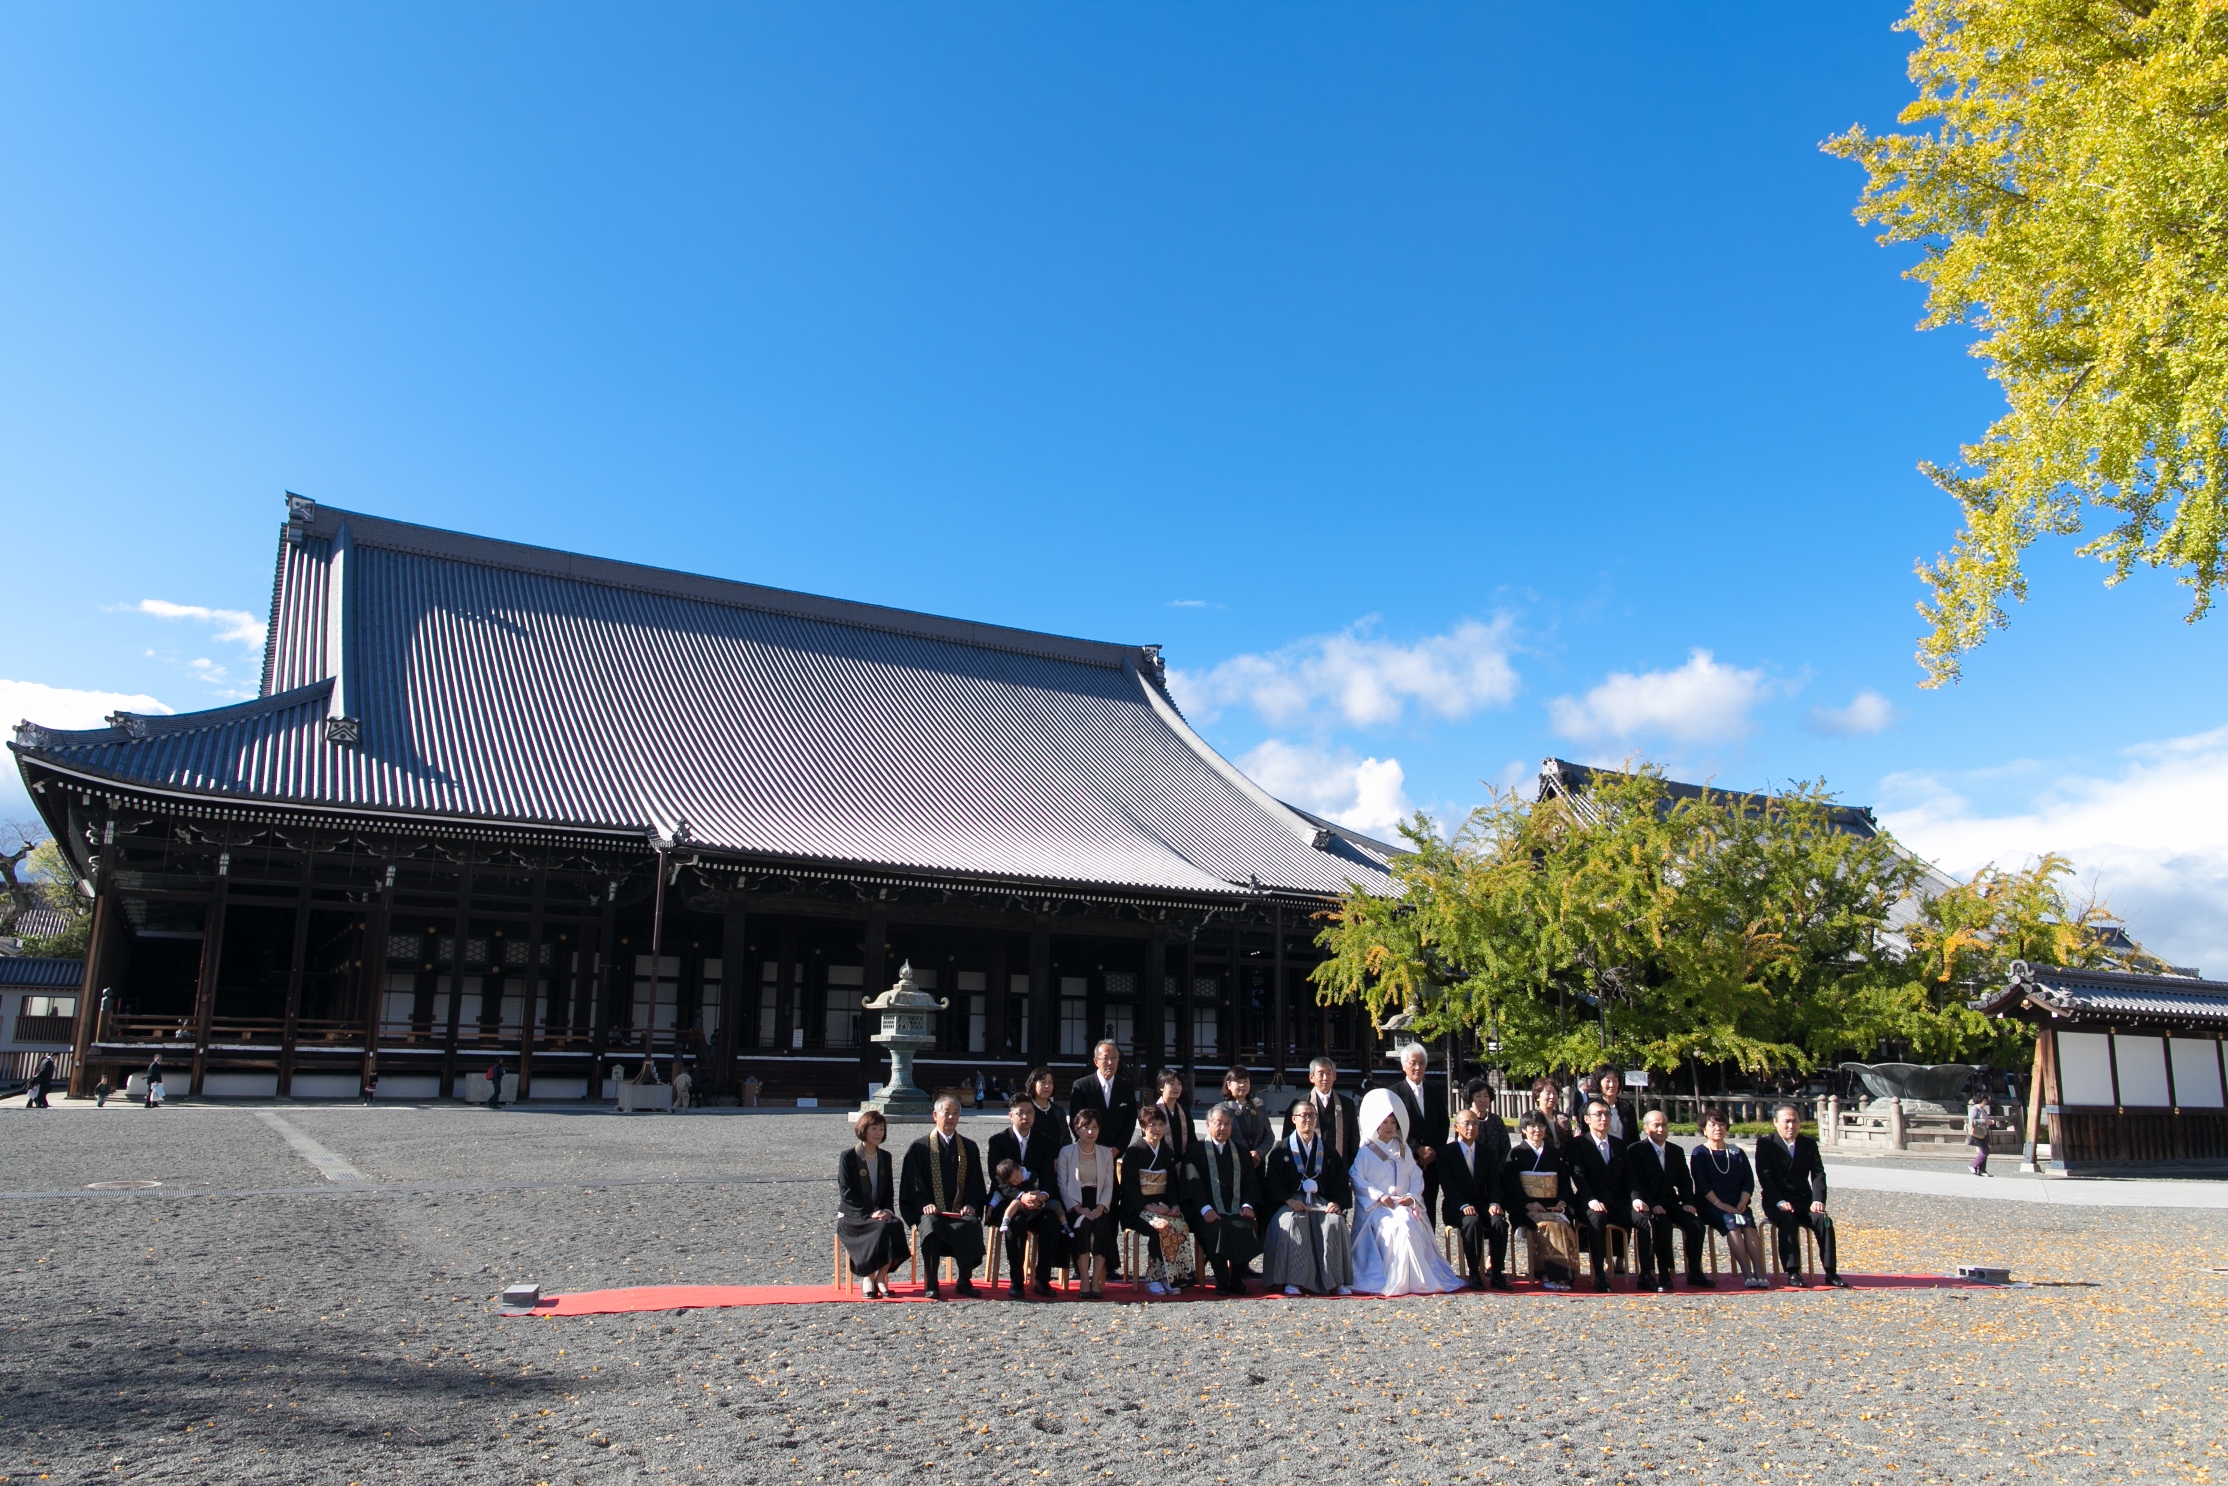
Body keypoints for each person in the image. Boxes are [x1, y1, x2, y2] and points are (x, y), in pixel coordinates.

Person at [1348, 1087, 1466, 1296]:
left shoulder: (1403, 1149)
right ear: (1376, 1123)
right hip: (1378, 1207)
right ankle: (1395, 1278)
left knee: (1408, 1222)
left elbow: (1416, 1177)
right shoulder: (1366, 1150)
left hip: (1402, 1202)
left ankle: (1418, 1279)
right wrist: (1379, 1196)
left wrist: (1411, 1197)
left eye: (1393, 1122)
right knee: (1394, 1227)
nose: (1389, 1126)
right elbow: (1357, 1179)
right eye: (1385, 1122)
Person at [1262, 1098, 1354, 1296]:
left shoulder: (1327, 1150)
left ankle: (1336, 1281)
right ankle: (1293, 1280)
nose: (1308, 1119)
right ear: (1294, 1119)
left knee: (1335, 1222)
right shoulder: (1281, 1149)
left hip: (1320, 1201)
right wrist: (1288, 1200)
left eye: (1312, 1115)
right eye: (1303, 1115)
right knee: (1293, 1222)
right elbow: (1273, 1182)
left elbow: (1339, 1180)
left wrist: (1336, 1202)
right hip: (1291, 1201)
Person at [899, 1094, 988, 1298]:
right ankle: (931, 1281)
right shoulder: (920, 1147)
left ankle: (964, 1280)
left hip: (959, 1210)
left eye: (955, 1113)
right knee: (930, 1225)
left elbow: (975, 1182)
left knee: (971, 1222)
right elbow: (913, 1183)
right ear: (935, 1115)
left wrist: (970, 1203)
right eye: (946, 1113)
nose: (951, 1117)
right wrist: (924, 1203)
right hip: (932, 1210)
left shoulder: (969, 1147)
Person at [1755, 1103, 1847, 1287]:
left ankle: (1831, 1272)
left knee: (1823, 1221)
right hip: (1777, 1200)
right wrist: (1779, 1201)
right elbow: (1764, 1177)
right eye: (1786, 1122)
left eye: (1795, 1121)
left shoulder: (1808, 1144)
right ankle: (1793, 1272)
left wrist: (1818, 1200)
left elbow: (1818, 1173)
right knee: (1788, 1220)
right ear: (1775, 1122)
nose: (1791, 1126)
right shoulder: (1766, 1144)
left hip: (1804, 1200)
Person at [984, 1094, 1065, 1298]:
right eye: (1020, 1113)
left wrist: (1043, 1196)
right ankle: (1016, 1281)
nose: (1026, 1117)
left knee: (1051, 1221)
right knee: (1016, 1221)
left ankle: (1042, 1279)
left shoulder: (1043, 1142)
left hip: (1038, 1201)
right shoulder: (998, 1141)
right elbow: (998, 1181)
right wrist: (1021, 1196)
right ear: (1011, 1115)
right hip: (1007, 1202)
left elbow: (1048, 1175)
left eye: (1030, 1112)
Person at [1184, 1102, 1262, 1293]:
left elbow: (1250, 1183)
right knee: (1216, 1229)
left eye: (1227, 1124)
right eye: (1218, 1123)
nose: (1223, 1128)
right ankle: (1222, 1280)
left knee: (1245, 1226)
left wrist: (1247, 1204)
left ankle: (1237, 1280)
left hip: (1235, 1209)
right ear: (1208, 1125)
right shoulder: (1195, 1151)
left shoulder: (1241, 1153)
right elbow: (1192, 1184)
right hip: (1207, 1211)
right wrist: (1205, 1209)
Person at [1627, 1109, 1709, 1291]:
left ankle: (1695, 1271)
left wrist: (1688, 1202)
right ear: (1646, 1128)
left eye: (1664, 1125)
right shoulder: (1636, 1150)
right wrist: (1653, 1205)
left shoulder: (1676, 1151)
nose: (1661, 1129)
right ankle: (1663, 1274)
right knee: (1661, 1225)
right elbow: (1636, 1183)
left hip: (1670, 1202)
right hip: (1649, 1203)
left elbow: (1685, 1181)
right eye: (1656, 1125)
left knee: (1695, 1224)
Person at [1119, 1104, 1195, 1294]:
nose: (1157, 1128)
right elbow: (1128, 1186)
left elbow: (1171, 1185)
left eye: (1161, 1124)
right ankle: (1154, 1277)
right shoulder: (1134, 1152)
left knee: (1180, 1225)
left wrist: (1175, 1205)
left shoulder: (1167, 1152)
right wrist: (1148, 1206)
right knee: (1160, 1228)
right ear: (1143, 1127)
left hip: (1162, 1205)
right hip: (1137, 1209)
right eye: (1152, 1124)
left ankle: (1174, 1276)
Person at [837, 1110, 911, 1299]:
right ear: (863, 1129)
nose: (878, 1132)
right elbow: (846, 1193)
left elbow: (888, 1191)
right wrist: (870, 1213)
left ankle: (881, 1277)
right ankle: (868, 1277)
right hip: (854, 1216)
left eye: (881, 1129)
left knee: (895, 1225)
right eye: (874, 1128)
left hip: (879, 1213)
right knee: (877, 1230)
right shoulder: (848, 1157)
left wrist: (886, 1211)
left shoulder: (885, 1157)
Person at [1502, 1111, 1578, 1290]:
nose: (1537, 1130)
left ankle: (1564, 1275)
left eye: (1541, 1126)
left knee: (1564, 1225)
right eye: (1532, 1126)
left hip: (1553, 1206)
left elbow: (1564, 1182)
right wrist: (1527, 1204)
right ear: (1524, 1130)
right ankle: (1549, 1274)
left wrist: (1562, 1202)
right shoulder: (1516, 1154)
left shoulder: (1554, 1153)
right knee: (1548, 1225)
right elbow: (1510, 1185)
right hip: (1526, 1208)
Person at [1690, 1107, 1765, 1288]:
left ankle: (1760, 1271)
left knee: (1747, 1223)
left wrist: (1743, 1201)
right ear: (1704, 1129)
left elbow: (1748, 1180)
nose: (1718, 1129)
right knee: (1731, 1222)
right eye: (1713, 1125)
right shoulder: (1699, 1153)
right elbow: (1701, 1182)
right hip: (1711, 1205)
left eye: (1722, 1124)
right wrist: (1719, 1204)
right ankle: (1746, 1272)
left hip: (1737, 1203)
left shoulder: (1736, 1152)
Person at [1438, 1106, 1510, 1290]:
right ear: (1456, 1127)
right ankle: (1474, 1273)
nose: (1471, 1127)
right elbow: (1448, 1185)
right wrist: (1463, 1205)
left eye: (1475, 1123)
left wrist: (1495, 1203)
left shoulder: (1486, 1153)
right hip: (1457, 1207)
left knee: (1498, 1222)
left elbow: (1494, 1181)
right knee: (1471, 1222)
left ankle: (1496, 1273)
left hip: (1482, 1204)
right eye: (1467, 1123)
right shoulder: (1446, 1153)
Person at [1568, 1098, 1635, 1292]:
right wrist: (1591, 1200)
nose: (1603, 1118)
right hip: (1588, 1201)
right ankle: (1599, 1273)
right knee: (1597, 1217)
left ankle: (1648, 1273)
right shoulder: (1578, 1144)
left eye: (1607, 1114)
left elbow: (1629, 1176)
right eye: (1598, 1115)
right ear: (1587, 1119)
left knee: (1642, 1217)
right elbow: (1578, 1175)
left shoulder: (1619, 1144)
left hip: (1615, 1201)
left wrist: (1636, 1199)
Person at [1056, 1107, 1120, 1298]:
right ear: (1077, 1129)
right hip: (1075, 1200)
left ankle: (1096, 1280)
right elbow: (1062, 1183)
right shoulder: (1066, 1152)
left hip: (1099, 1200)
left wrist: (1101, 1207)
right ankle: (1084, 1278)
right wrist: (1077, 1208)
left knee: (1102, 1225)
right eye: (1085, 1127)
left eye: (1094, 1127)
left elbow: (1109, 1184)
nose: (1090, 1132)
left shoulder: (1105, 1153)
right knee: (1082, 1226)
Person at [1385, 1043, 1447, 1227]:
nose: (1417, 1067)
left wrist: (1431, 1151)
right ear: (1404, 1066)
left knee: (1428, 1205)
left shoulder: (1435, 1093)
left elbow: (1443, 1124)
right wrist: (1417, 1148)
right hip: (1405, 1158)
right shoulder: (1394, 1093)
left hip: (1430, 1162)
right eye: (1413, 1063)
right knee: (1406, 1207)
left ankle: (1430, 1250)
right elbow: (1392, 1127)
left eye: (1421, 1063)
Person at [1282, 1056, 1362, 1169]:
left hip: (1339, 1166)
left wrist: (1352, 1167)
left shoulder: (1347, 1104)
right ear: (1311, 1077)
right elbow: (1288, 1138)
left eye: (1329, 1073)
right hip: (1307, 1166)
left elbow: (1354, 1140)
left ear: (1334, 1076)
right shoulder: (1299, 1104)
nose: (1325, 1078)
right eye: (1320, 1073)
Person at [1069, 1040, 1141, 1155]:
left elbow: (1130, 1121)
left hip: (1115, 1152)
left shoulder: (1126, 1087)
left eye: (1114, 1058)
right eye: (1105, 1058)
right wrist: (1090, 1146)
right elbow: (1075, 1119)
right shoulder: (1082, 1086)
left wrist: (1117, 1148)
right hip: (1088, 1151)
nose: (1110, 1062)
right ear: (1096, 1061)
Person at [1219, 1067, 1275, 1165]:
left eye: (1246, 1081)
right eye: (1238, 1081)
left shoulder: (1258, 1106)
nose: (1242, 1085)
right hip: (1233, 1162)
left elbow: (1269, 1135)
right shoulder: (1221, 1109)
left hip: (1257, 1162)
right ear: (1229, 1084)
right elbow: (1219, 1138)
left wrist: (1259, 1152)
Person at [1458, 1076, 1513, 1173]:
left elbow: (1506, 1149)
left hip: (1497, 1174)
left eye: (1486, 1096)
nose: (1483, 1100)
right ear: (1470, 1098)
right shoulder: (1464, 1120)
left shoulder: (1496, 1121)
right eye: (1478, 1096)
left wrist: (1497, 1170)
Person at [1151, 1069, 1196, 1167]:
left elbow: (1192, 1139)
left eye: (1179, 1084)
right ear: (1161, 1087)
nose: (1176, 1087)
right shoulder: (1153, 1112)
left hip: (1183, 1164)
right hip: (1159, 1163)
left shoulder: (1184, 1112)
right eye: (1172, 1084)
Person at [1023, 1067, 1070, 1150]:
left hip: (1057, 1161)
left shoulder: (1059, 1111)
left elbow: (1066, 1139)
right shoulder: (1026, 1110)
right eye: (1043, 1082)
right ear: (1033, 1084)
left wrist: (1063, 1158)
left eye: (1050, 1082)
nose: (1047, 1086)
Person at [1592, 1065, 1639, 1146]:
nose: (1612, 1085)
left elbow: (1634, 1136)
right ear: (1599, 1082)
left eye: (1615, 1081)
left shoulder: (1627, 1107)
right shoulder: (1591, 1107)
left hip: (1624, 1154)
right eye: (1608, 1081)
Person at [1526, 1076, 1566, 1151]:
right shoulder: (1531, 1118)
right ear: (1538, 1096)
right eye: (1548, 1093)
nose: (1552, 1096)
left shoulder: (1563, 1117)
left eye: (1554, 1093)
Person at [1967, 1090, 1993, 1177]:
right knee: (1986, 1151)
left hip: (1984, 1132)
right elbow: (1971, 1121)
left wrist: (1989, 1122)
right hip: (1978, 1132)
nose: (1985, 1102)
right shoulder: (1974, 1109)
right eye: (1984, 1100)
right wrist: (1984, 1121)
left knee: (1984, 1151)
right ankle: (1973, 1165)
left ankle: (1982, 1170)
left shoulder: (1983, 1110)